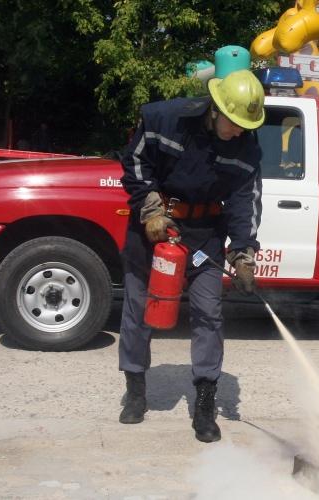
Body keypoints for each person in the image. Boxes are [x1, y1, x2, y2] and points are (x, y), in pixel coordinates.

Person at [117, 69, 265, 443]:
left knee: (209, 314)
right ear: (215, 110)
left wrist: (244, 251)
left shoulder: (247, 146)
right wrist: (150, 208)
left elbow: (244, 200)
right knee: (138, 312)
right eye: (235, 124)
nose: (240, 132)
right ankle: (136, 392)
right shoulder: (165, 119)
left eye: (247, 126)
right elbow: (134, 163)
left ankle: (204, 404)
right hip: (155, 231)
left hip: (204, 239)